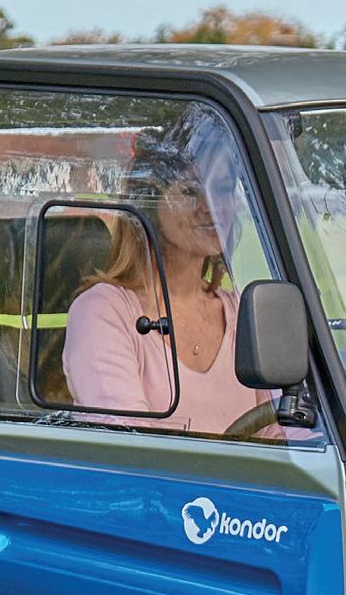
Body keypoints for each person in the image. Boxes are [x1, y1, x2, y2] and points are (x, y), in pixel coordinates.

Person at [63, 117, 311, 440]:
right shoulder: (102, 312)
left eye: (222, 189)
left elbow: (289, 435)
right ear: (150, 202)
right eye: (191, 191)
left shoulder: (242, 312)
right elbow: (128, 448)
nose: (211, 206)